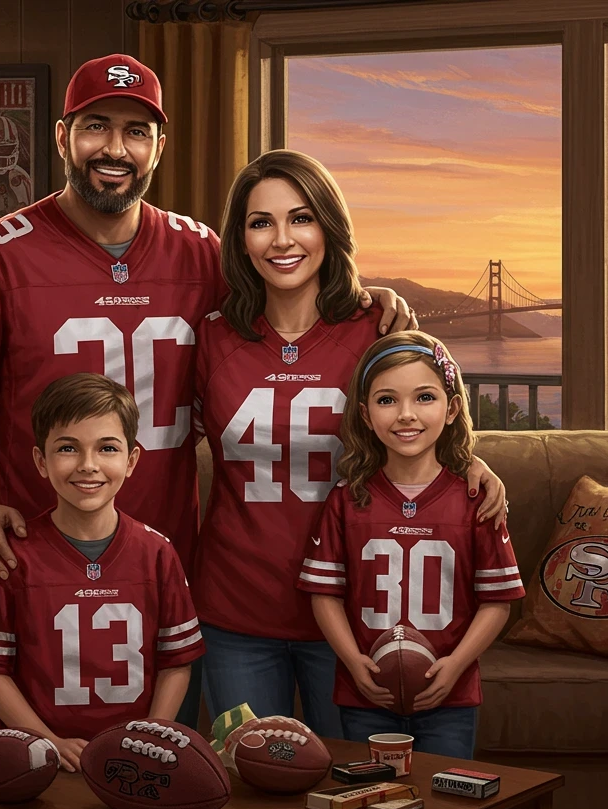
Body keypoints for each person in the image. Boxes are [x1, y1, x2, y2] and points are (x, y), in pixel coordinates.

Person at [0, 53, 413, 730]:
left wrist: (365, 298)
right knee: (45, 774)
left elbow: (291, 302)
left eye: (136, 132)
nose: (115, 149)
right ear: (62, 138)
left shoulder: (202, 253)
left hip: (170, 567)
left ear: (159, 148)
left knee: (175, 768)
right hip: (44, 559)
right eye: (96, 128)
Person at [193, 150, 508, 737]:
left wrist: (470, 462)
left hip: (358, 617)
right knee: (253, 786)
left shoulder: (376, 329)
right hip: (235, 607)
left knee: (351, 795)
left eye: (302, 218)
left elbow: (425, 416)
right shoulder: (209, 338)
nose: (282, 239)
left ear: (330, 228)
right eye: (261, 222)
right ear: (239, 239)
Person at [0, 373, 204, 809]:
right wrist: (45, 739)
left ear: (132, 460)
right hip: (39, 754)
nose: (88, 465)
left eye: (106, 448)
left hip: (133, 756)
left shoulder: (158, 552)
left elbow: (177, 660)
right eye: (68, 449)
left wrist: (151, 735)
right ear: (41, 461)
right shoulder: (11, 556)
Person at [298, 331, 524, 809]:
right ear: (365, 414)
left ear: (451, 410)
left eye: (423, 398)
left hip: (449, 693)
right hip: (364, 690)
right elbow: (324, 594)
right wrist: (352, 661)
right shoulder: (347, 500)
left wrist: (454, 665)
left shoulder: (476, 500)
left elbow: (498, 600)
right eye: (386, 399)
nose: (406, 414)